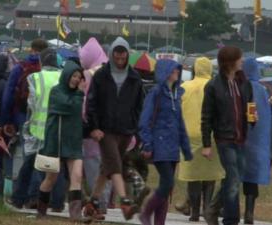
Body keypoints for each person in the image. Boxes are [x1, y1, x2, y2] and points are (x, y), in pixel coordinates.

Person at [85, 37, 143, 220]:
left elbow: (139, 104)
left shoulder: (135, 78)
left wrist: (134, 126)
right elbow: (91, 103)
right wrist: (94, 127)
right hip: (105, 129)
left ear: (127, 54)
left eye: (122, 55)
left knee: (106, 168)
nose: (119, 58)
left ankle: (92, 203)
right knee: (115, 165)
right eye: (116, 55)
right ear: (111, 54)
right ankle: (125, 203)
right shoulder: (101, 75)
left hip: (126, 129)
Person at [7, 49, 67, 211]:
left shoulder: (34, 78)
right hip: (58, 129)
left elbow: (31, 105)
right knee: (57, 167)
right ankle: (57, 202)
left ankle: (26, 198)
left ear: (42, 62)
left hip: (37, 128)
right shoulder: (64, 77)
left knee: (31, 166)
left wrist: (26, 125)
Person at [201, 46, 253, 225]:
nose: (242, 61)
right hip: (224, 139)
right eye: (240, 58)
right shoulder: (213, 86)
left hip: (241, 138)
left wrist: (253, 119)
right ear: (231, 62)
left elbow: (249, 107)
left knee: (235, 178)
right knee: (233, 179)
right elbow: (206, 117)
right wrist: (206, 144)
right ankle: (231, 220)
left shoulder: (245, 83)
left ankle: (213, 208)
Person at [139, 59, 193, 225]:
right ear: (166, 73)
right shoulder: (155, 94)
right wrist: (147, 143)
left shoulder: (176, 95)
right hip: (160, 144)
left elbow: (180, 124)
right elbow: (144, 121)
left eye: (177, 70)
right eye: (174, 70)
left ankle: (159, 222)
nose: (177, 72)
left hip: (173, 147)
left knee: (167, 187)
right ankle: (146, 211)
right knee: (168, 181)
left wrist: (186, 148)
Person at [36, 61, 86, 222]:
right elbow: (69, 107)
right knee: (51, 179)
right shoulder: (56, 92)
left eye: (79, 77)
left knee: (77, 176)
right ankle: (41, 212)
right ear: (67, 75)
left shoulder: (78, 94)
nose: (77, 80)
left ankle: (75, 215)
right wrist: (80, 94)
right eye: (74, 76)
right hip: (56, 142)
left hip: (74, 141)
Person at [177, 57, 225, 222]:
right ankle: (207, 208)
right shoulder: (217, 87)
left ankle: (194, 212)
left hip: (189, 136)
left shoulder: (184, 87)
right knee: (209, 175)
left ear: (195, 69)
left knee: (193, 176)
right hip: (211, 136)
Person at [79, 37, 111, 214]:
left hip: (93, 130)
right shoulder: (111, 70)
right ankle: (102, 202)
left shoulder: (90, 74)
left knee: (93, 166)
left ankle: (98, 203)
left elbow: (86, 104)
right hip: (112, 128)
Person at [240, 57, 272, 224]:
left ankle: (224, 207)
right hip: (257, 140)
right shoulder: (262, 90)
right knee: (251, 178)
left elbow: (250, 111)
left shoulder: (243, 87)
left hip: (242, 137)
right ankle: (249, 212)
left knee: (234, 175)